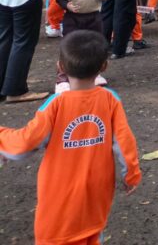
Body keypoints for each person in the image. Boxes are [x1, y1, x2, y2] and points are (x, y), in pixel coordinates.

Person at [0, 31, 141, 244]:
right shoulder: (111, 99)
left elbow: (25, 144)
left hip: (60, 199)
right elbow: (124, 142)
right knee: (92, 233)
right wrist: (131, 174)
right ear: (104, 67)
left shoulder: (55, 104)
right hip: (97, 194)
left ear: (60, 67)